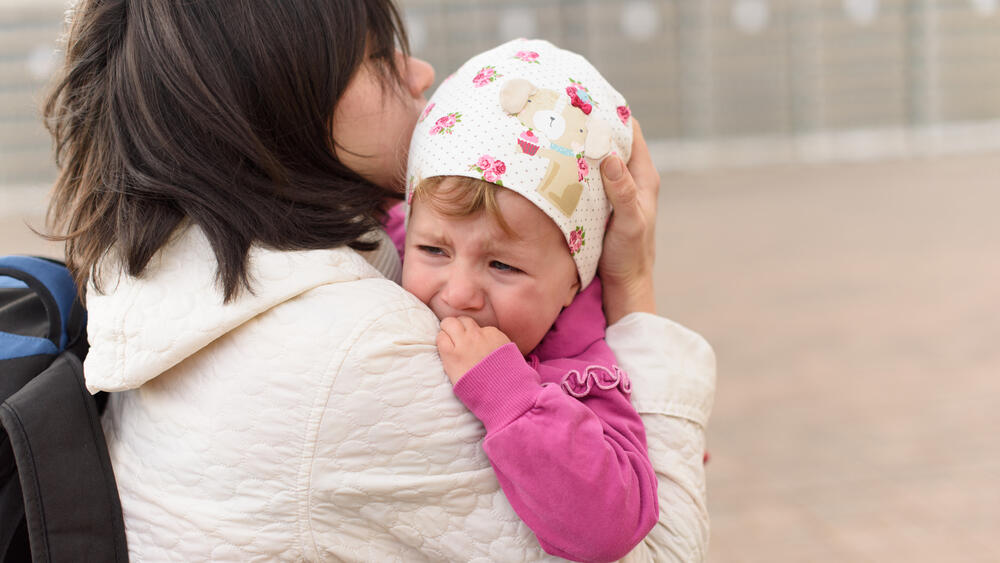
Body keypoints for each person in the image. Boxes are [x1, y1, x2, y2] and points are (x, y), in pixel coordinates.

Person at [43, 1, 715, 561]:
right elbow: (652, 549)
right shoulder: (354, 350)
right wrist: (633, 288)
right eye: (373, 58)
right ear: (275, 96)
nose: (419, 73)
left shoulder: (190, 268)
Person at [384, 39, 658, 560]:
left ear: (574, 284)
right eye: (433, 250)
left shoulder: (582, 374)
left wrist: (512, 398)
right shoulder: (377, 248)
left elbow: (610, 525)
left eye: (503, 265)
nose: (459, 293)